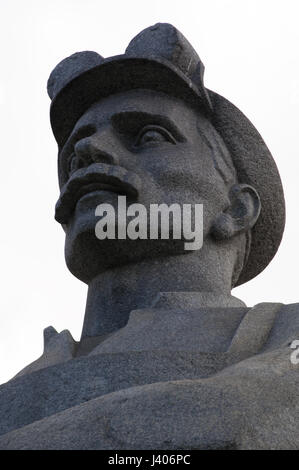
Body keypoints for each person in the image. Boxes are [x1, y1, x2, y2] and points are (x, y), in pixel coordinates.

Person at [0, 23, 298, 450]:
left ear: (235, 209)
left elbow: (229, 418)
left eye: (147, 135)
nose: (87, 151)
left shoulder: (285, 333)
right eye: (73, 153)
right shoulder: (26, 374)